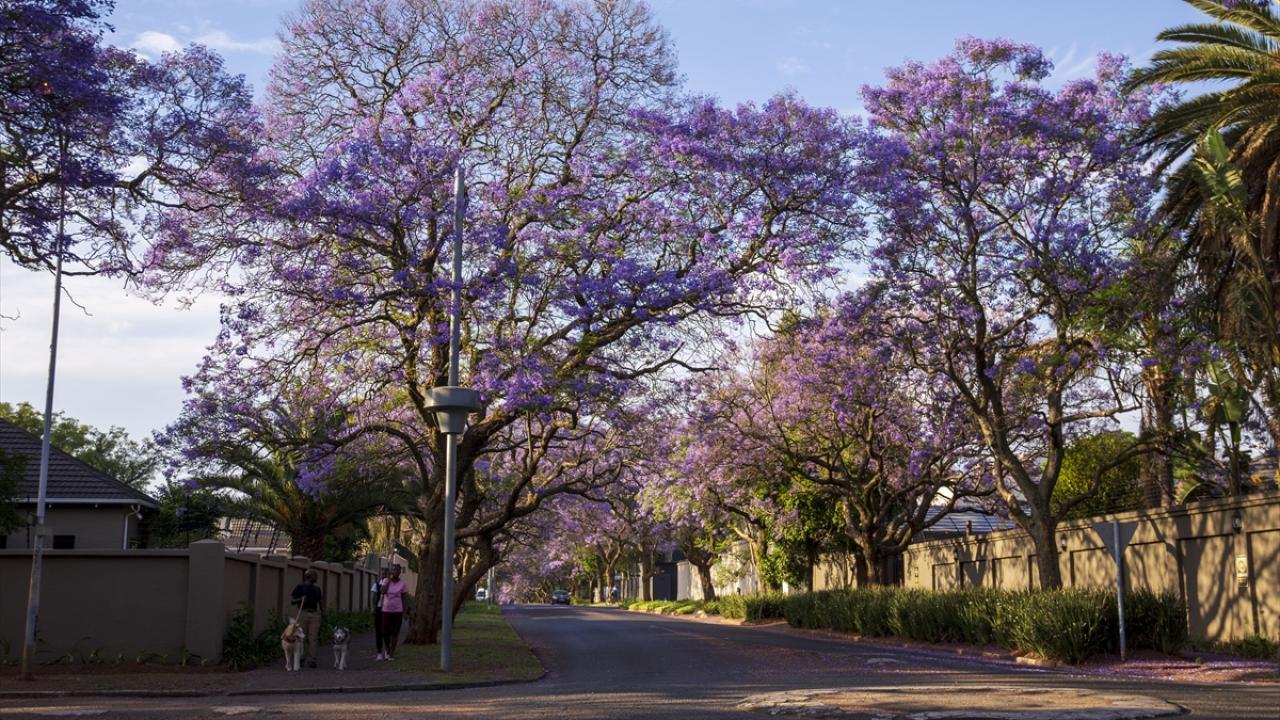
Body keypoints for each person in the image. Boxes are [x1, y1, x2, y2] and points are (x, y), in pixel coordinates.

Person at [290, 569, 323, 669]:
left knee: (313, 637)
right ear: (309, 577)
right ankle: (301, 657)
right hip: (303, 613)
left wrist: (323, 612)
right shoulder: (300, 587)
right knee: (301, 637)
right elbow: (292, 601)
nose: (317, 578)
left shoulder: (317, 589)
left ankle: (312, 659)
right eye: (315, 576)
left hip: (314, 614)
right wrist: (301, 599)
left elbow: (320, 602)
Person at [379, 565, 409, 661]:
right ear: (391, 571)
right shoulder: (386, 581)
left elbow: (404, 599)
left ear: (400, 572)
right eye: (393, 570)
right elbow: (383, 592)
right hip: (386, 610)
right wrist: (388, 580)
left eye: (397, 570)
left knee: (395, 633)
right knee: (384, 633)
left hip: (397, 611)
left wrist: (405, 612)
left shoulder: (403, 584)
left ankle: (391, 654)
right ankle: (387, 648)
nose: (395, 571)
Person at [371, 567, 389, 660]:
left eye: (385, 573)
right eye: (382, 573)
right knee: (378, 631)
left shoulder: (390, 584)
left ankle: (387, 651)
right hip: (379, 609)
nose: (384, 575)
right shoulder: (377, 584)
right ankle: (379, 652)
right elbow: (373, 597)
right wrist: (373, 608)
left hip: (387, 610)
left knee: (386, 631)